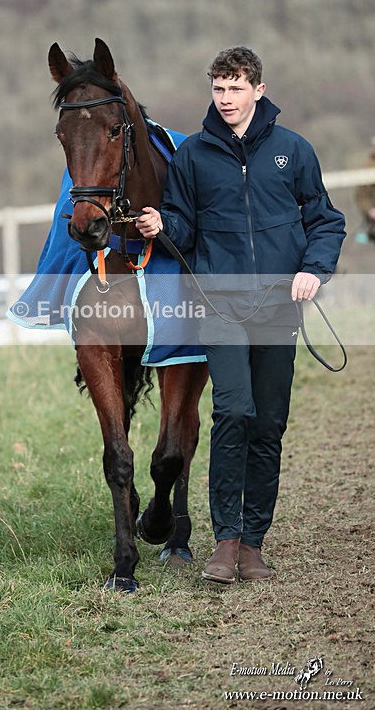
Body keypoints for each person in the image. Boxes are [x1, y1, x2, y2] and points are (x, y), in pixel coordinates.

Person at [136, 46, 346, 584]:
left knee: (268, 424)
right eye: (217, 88)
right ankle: (224, 544)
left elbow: (326, 220)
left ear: (259, 89)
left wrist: (314, 270)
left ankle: (254, 544)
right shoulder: (193, 157)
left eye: (234, 88)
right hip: (221, 306)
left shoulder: (294, 151)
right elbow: (185, 230)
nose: (225, 99)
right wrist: (164, 226)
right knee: (232, 412)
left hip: (280, 308)